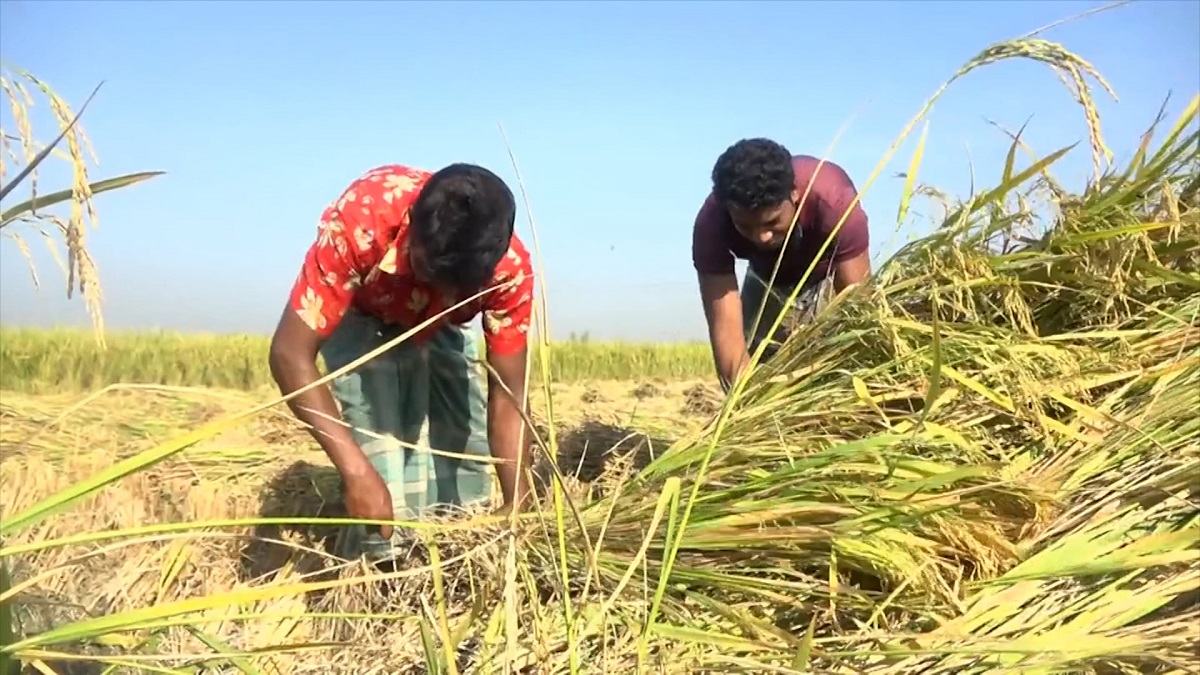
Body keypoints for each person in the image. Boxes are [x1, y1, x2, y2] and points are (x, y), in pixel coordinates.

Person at [268, 162, 535, 564]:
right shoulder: (362, 220)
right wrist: (356, 472)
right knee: (384, 466)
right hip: (365, 312)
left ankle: (456, 566)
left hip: (440, 326)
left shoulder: (507, 270)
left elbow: (509, 395)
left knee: (463, 460)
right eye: (432, 273)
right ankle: (381, 575)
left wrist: (520, 502)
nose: (445, 295)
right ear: (411, 228)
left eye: (460, 289)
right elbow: (290, 353)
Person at [692, 138, 871, 391]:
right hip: (765, 277)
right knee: (759, 362)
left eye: (772, 222)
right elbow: (726, 328)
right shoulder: (710, 225)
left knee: (830, 361)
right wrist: (745, 404)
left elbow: (860, 310)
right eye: (745, 225)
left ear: (794, 194)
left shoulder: (835, 202)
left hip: (826, 274)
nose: (761, 236)